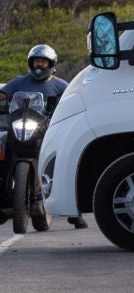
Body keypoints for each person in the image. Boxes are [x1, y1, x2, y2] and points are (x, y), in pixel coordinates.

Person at [2, 45, 85, 229]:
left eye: (43, 61)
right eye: (36, 61)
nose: (39, 65)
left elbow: (75, 100)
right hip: (20, 129)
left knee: (65, 160)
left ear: (51, 63)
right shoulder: (19, 82)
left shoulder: (60, 85)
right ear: (30, 63)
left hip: (48, 131)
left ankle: (75, 214)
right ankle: (3, 199)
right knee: (4, 154)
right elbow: (3, 94)